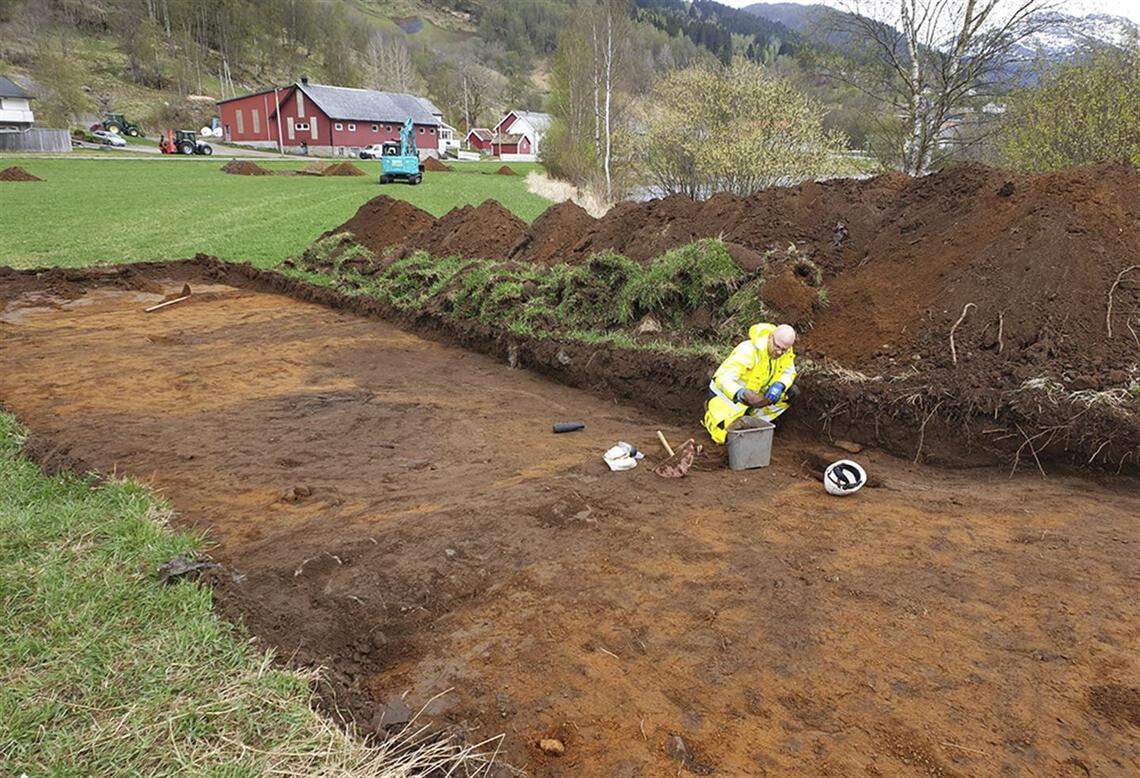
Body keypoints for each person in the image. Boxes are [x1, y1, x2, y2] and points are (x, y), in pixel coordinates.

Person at [702, 323, 798, 445]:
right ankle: (712, 415)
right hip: (729, 397)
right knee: (724, 437)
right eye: (777, 347)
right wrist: (740, 393)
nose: (779, 352)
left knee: (791, 392)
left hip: (756, 395)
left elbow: (789, 372)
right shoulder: (748, 350)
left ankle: (753, 420)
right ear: (771, 337)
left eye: (783, 350)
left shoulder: (786, 352)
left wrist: (780, 384)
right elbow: (722, 378)